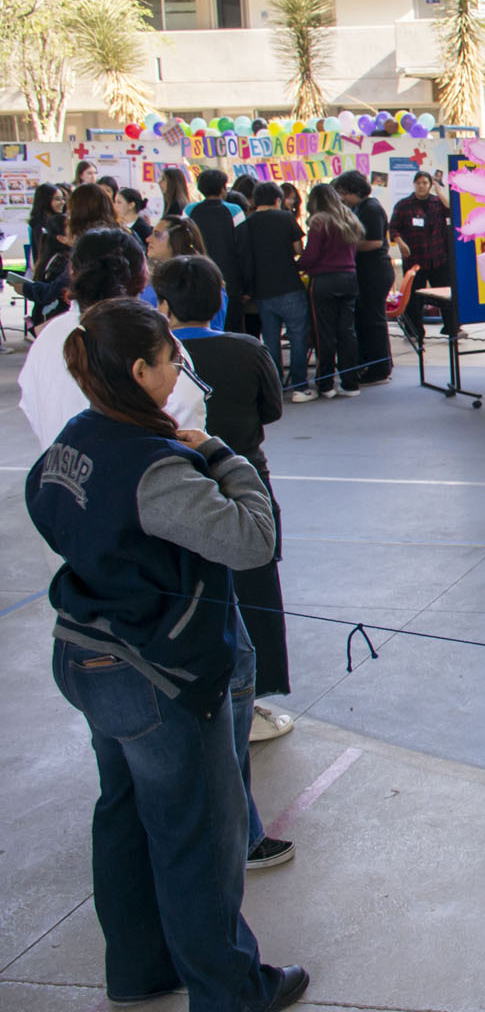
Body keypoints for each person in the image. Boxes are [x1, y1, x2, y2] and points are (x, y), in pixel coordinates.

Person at [25, 297, 308, 1012]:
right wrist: (220, 455)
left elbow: (44, 506)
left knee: (123, 814)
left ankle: (140, 968)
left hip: (88, 654)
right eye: (170, 360)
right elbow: (252, 539)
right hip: (157, 674)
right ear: (139, 370)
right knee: (199, 839)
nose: (179, 370)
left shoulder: (74, 441)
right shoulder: (155, 468)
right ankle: (232, 991)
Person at [153, 254, 295, 743]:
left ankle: (195, 696)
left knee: (190, 591)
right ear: (220, 301)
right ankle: (249, 701)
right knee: (254, 591)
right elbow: (272, 409)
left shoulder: (158, 358)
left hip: (181, 486)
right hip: (243, 478)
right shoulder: (247, 348)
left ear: (164, 305)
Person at [20, 228, 205, 449]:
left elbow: (31, 405)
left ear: (72, 271)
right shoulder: (153, 340)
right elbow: (186, 413)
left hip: (62, 464)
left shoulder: (49, 336)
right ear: (142, 274)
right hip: (146, 467)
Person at [237, 182, 312, 401]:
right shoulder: (286, 218)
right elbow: (298, 249)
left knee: (270, 341)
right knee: (298, 337)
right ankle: (300, 387)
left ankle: (275, 387)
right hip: (290, 286)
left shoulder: (247, 223)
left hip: (262, 291)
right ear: (278, 200)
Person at [297, 186, 363, 399]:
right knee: (347, 332)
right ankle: (351, 383)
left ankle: (326, 384)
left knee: (324, 333)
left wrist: (298, 265)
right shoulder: (349, 218)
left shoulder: (319, 221)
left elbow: (311, 255)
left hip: (324, 281)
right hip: (349, 278)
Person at [332, 171, 394, 384]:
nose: (342, 198)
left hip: (375, 271)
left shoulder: (371, 208)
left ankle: (380, 368)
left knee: (374, 321)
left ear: (354, 190)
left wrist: (346, 245)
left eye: (343, 193)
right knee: (364, 319)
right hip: (365, 271)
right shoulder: (359, 208)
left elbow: (375, 242)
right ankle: (368, 361)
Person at [389, 169, 460, 340]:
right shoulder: (403, 205)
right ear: (414, 184)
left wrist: (439, 192)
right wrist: (400, 243)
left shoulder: (437, 202)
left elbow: (452, 210)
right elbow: (393, 228)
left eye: (425, 183)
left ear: (430, 185)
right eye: (419, 183)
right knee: (414, 298)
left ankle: (452, 329)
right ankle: (414, 331)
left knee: (446, 295)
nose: (422, 186)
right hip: (415, 259)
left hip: (438, 258)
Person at [187, 168, 247, 332]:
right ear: (222, 189)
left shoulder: (189, 211)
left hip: (198, 278)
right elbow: (243, 249)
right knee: (231, 329)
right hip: (230, 281)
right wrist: (247, 285)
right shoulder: (234, 210)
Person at [146, 214, 226, 331]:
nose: (148, 239)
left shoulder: (203, 282)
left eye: (157, 235)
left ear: (176, 240)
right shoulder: (150, 278)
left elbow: (213, 329)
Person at [7, 211, 73, 328]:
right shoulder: (62, 260)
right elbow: (50, 292)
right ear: (61, 238)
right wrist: (27, 288)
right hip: (53, 319)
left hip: (48, 318)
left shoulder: (53, 257)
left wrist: (26, 288)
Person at [25, 181, 65, 269]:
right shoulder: (41, 225)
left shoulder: (55, 221)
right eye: (57, 199)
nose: (62, 202)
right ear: (45, 200)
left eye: (63, 198)